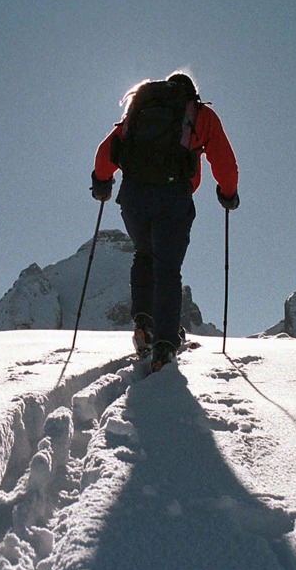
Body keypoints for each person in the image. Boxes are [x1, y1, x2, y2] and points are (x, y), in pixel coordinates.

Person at [90, 72, 239, 371]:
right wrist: (228, 194)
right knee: (168, 268)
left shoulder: (140, 108)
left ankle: (144, 324)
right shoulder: (200, 114)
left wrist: (101, 182)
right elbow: (224, 160)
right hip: (173, 196)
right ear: (192, 93)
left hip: (133, 197)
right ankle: (165, 344)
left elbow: (108, 148)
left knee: (144, 255)